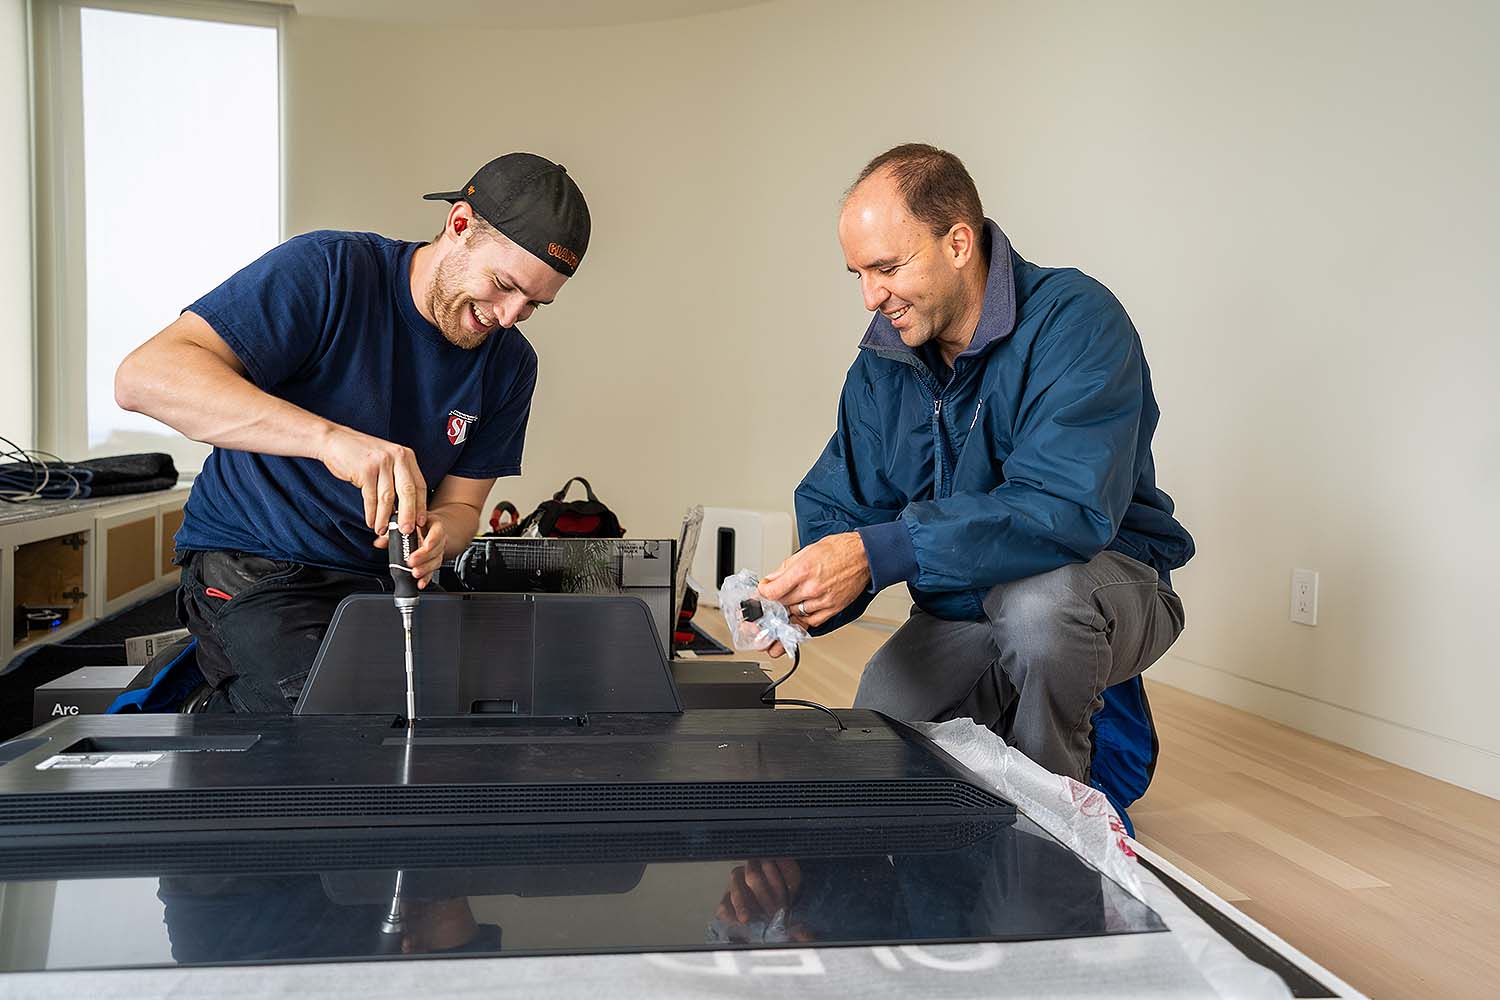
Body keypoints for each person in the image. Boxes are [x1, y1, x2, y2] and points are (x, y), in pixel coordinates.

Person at [757, 143, 1193, 821]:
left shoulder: (1077, 321)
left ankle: (1056, 819)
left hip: (1100, 582)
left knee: (1041, 613)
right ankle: (1004, 758)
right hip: (963, 608)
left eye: (887, 268)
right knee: (882, 722)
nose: (872, 296)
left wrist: (881, 553)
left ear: (958, 242)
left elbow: (1064, 510)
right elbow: (841, 503)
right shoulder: (884, 363)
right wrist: (811, 590)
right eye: (859, 275)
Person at [114, 152, 590, 713]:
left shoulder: (510, 364)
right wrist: (329, 439)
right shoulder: (329, 271)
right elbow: (142, 378)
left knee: (483, 712)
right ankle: (210, 702)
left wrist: (441, 533)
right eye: (503, 285)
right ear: (459, 226)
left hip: (384, 585)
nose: (509, 316)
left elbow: (463, 506)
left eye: (534, 304)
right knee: (336, 724)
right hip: (259, 566)